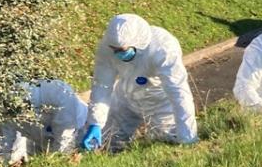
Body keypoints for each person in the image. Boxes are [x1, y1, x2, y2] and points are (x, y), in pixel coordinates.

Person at [80, 13, 198, 151]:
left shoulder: (162, 47)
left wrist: (188, 135)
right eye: (114, 50)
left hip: (160, 104)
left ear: (136, 42)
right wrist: (95, 123)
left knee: (162, 145)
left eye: (121, 50)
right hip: (126, 98)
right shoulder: (107, 48)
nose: (116, 53)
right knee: (109, 142)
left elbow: (178, 91)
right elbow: (102, 85)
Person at [0, 79, 88, 164]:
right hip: (42, 142)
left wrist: (57, 161)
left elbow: (65, 140)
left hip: (82, 133)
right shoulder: (4, 108)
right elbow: (7, 145)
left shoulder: (59, 93)